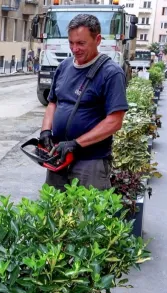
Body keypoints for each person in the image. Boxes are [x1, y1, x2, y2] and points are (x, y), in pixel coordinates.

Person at [38, 14, 128, 191]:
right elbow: (53, 103)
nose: (74, 48)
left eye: (81, 43)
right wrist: (45, 132)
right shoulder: (63, 66)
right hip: (58, 158)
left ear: (98, 39)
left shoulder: (111, 73)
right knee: (55, 214)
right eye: (71, 43)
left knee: (87, 217)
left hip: (90, 163)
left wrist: (76, 143)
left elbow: (115, 121)